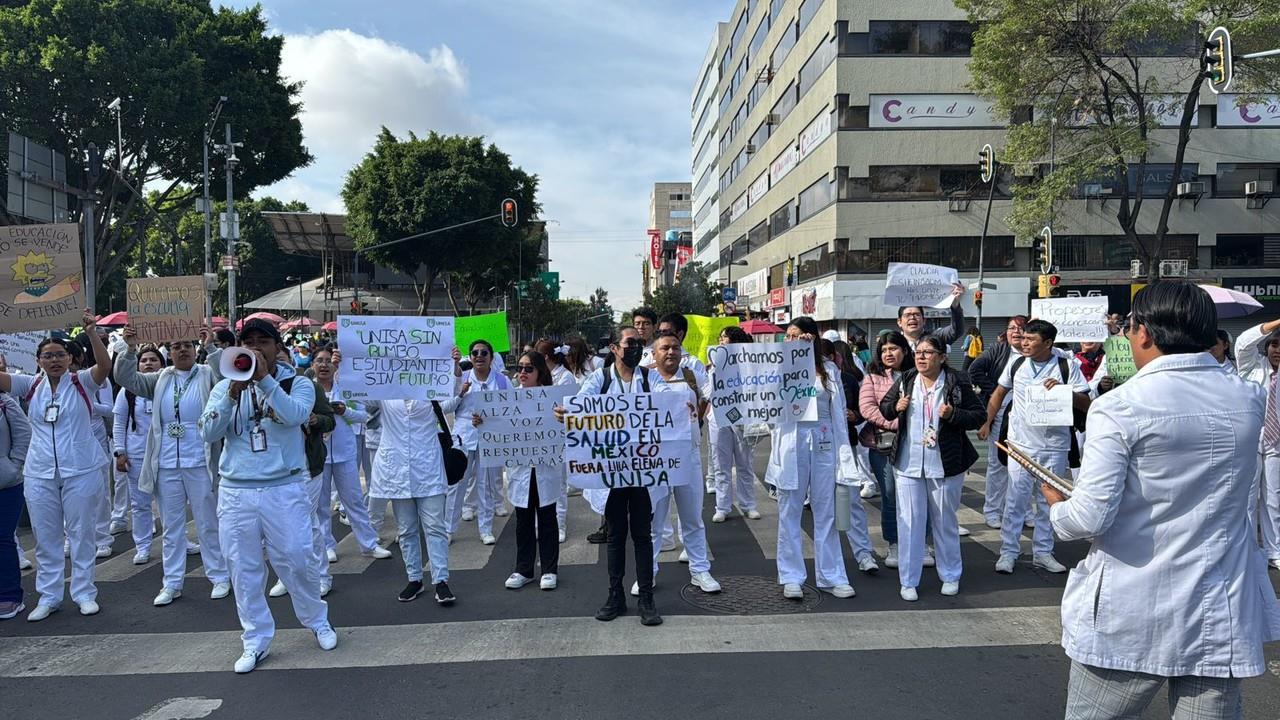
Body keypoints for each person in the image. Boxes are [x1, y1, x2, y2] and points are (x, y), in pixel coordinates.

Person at [1044, 281, 1280, 719]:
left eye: (1130, 328)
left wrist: (1057, 503)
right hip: (1220, 605)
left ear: (1145, 333)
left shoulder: (1119, 406)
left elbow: (1089, 518)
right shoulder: (1248, 399)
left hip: (1132, 607)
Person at [198, 318, 337, 673]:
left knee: (297, 556)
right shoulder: (224, 384)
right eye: (249, 341)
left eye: (264, 341)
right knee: (243, 568)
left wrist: (264, 380)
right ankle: (256, 639)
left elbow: (295, 416)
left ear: (278, 346)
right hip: (236, 490)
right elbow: (208, 431)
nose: (256, 347)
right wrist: (231, 394)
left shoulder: (298, 383)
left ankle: (316, 620)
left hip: (284, 486)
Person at [0, 312, 111, 621]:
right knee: (46, 538)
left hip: (82, 470)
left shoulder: (82, 381)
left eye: (60, 355)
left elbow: (105, 367)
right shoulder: (29, 385)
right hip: (40, 472)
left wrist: (91, 333)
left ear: (70, 358)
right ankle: (49, 596)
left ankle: (85, 593)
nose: (54, 360)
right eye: (47, 356)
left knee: (81, 534)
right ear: (38, 360)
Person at [116, 329, 231, 606]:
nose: (182, 350)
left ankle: (219, 576)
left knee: (207, 522)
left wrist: (212, 348)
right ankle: (172, 582)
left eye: (188, 345)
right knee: (172, 526)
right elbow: (125, 378)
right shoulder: (162, 378)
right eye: (176, 346)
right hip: (167, 460)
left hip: (199, 459)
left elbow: (227, 379)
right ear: (169, 350)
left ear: (195, 349)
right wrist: (130, 350)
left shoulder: (206, 373)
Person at [979, 319, 1091, 575]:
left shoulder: (1067, 366)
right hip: (1020, 444)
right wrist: (987, 420)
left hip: (1054, 445)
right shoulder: (1016, 363)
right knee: (1015, 500)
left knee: (1047, 501)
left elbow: (1086, 402)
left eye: (1031, 340)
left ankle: (1043, 552)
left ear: (1048, 343)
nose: (1024, 343)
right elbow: (998, 393)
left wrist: (1065, 392)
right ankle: (1008, 551)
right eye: (1023, 338)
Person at [878, 335, 984, 601]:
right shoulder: (907, 379)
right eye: (918, 352)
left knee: (944, 521)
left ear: (942, 357)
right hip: (908, 463)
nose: (921, 357)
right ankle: (909, 580)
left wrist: (953, 415)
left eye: (928, 352)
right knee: (910, 523)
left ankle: (950, 575)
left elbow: (978, 416)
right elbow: (886, 409)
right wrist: (895, 406)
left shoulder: (956, 380)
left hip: (945, 462)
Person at [568, 326, 663, 626]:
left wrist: (683, 406)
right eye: (630, 343)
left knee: (643, 535)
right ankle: (615, 596)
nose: (636, 347)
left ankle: (646, 598)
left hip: (641, 473)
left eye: (640, 343)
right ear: (614, 348)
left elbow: (666, 405)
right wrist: (568, 414)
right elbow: (582, 407)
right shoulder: (600, 379)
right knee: (615, 536)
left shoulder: (651, 378)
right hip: (611, 472)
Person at [766, 317, 860, 600]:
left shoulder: (829, 370)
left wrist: (844, 458)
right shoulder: (777, 367)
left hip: (822, 443)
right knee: (790, 512)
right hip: (791, 444)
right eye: (789, 336)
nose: (793, 340)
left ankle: (831, 575)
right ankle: (791, 576)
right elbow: (769, 409)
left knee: (826, 513)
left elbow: (839, 417)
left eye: (799, 335)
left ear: (812, 338)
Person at [642, 330, 721, 597]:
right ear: (654, 353)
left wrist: (696, 418)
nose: (671, 352)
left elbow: (710, 395)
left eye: (675, 347)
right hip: (655, 462)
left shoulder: (691, 376)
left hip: (687, 458)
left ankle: (700, 570)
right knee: (653, 521)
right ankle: (647, 573)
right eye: (664, 348)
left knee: (692, 519)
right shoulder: (643, 379)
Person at [366, 388, 456, 606]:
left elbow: (450, 394)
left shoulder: (430, 386)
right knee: (406, 528)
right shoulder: (385, 390)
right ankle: (414, 578)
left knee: (435, 526)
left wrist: (454, 370)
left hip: (427, 466)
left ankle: (441, 580)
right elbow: (366, 401)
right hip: (396, 468)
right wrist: (345, 371)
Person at [482, 350, 561, 591]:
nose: (523, 373)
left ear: (540, 372)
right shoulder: (509, 398)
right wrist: (481, 422)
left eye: (529, 368)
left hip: (546, 467)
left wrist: (563, 418)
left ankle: (549, 570)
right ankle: (524, 569)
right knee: (523, 520)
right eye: (521, 368)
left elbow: (569, 428)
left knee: (547, 518)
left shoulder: (554, 399)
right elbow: (496, 426)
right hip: (520, 468)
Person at [310, 347, 391, 564]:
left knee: (354, 501)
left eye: (328, 361)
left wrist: (345, 411)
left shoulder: (346, 390)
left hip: (344, 453)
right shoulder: (307, 390)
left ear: (335, 365)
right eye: (319, 360)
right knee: (321, 503)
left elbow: (364, 416)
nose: (324, 365)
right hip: (319, 456)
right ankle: (326, 544)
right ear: (313, 365)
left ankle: (369, 543)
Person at [858, 331, 918, 569]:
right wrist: (897, 423)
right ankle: (894, 543)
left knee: (918, 497)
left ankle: (920, 543)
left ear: (904, 350)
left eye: (893, 348)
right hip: (883, 446)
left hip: (917, 445)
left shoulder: (918, 375)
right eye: (883, 350)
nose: (888, 354)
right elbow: (867, 409)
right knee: (891, 495)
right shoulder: (872, 378)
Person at [442, 339, 511, 544]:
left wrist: (490, 419)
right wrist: (461, 392)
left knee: (486, 483)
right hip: (464, 437)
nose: (479, 356)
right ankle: (448, 529)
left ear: (491, 358)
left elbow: (512, 409)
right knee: (457, 485)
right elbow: (445, 408)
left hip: (490, 438)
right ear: (470, 357)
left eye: (483, 353)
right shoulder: (460, 377)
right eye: (474, 353)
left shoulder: (501, 381)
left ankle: (486, 529)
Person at [968, 316, 1028, 528]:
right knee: (998, 464)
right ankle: (992, 511)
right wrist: (995, 390)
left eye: (1020, 328)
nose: (1016, 332)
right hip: (1000, 411)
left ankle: (1025, 510)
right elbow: (974, 370)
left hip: (1028, 414)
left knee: (1026, 465)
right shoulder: (998, 350)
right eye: (1011, 328)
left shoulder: (1037, 354)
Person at [111, 345, 163, 565]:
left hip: (165, 454)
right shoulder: (128, 391)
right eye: (144, 360)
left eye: (153, 360)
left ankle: (178, 541)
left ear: (163, 364)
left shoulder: (168, 385)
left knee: (171, 503)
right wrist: (120, 452)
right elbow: (119, 423)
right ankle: (142, 546)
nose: (148, 363)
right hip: (137, 456)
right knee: (140, 504)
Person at [1235, 317, 1280, 569]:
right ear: (1266, 347)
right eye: (1274, 345)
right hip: (1251, 438)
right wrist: (1276, 324)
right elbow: (1242, 343)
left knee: (1274, 497)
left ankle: (1274, 550)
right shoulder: (1252, 366)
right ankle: (1250, 548)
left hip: (1277, 443)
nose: (1278, 350)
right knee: (1249, 497)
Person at [710, 326, 760, 522]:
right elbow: (708, 388)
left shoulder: (750, 363)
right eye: (720, 337)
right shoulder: (713, 361)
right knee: (720, 465)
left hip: (742, 417)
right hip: (719, 417)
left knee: (745, 464)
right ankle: (722, 506)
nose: (721, 341)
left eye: (725, 338)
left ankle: (748, 505)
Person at [0, 387, 31, 620]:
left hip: (6, 484)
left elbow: (24, 434)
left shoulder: (4, 402)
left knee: (2, 538)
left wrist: (12, 466)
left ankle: (9, 596)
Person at [896, 283, 965, 350]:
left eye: (917, 314)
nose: (912, 318)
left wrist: (955, 305)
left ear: (924, 320)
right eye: (907, 315)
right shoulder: (893, 342)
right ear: (899, 322)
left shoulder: (935, 337)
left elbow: (956, 330)